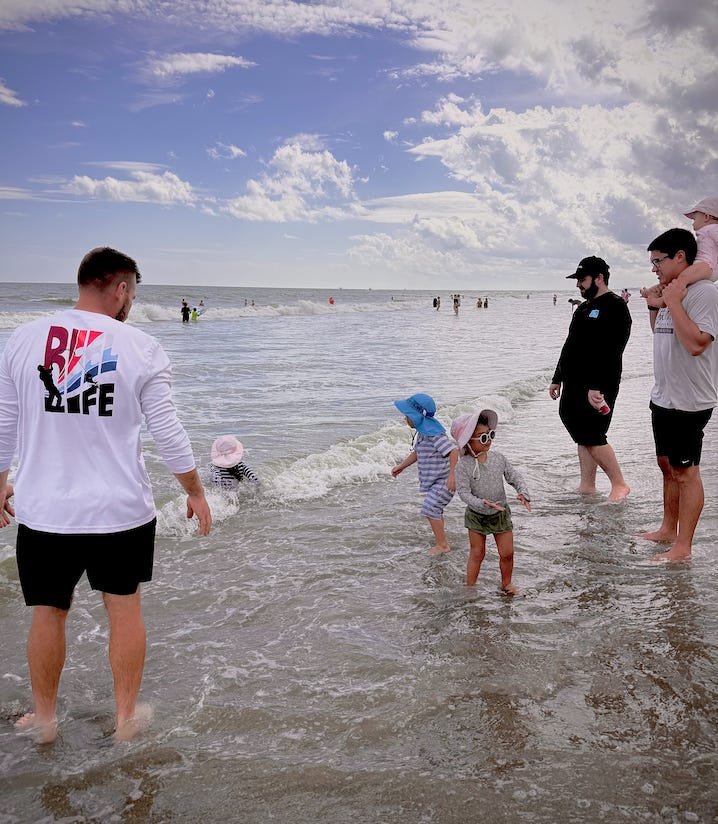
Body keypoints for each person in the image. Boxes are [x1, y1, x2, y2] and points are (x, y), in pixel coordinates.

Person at [0, 247, 212, 744]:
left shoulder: (24, 339)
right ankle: (125, 721)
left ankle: (46, 722)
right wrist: (195, 491)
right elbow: (167, 429)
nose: (130, 303)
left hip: (45, 510)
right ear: (120, 289)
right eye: (132, 294)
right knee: (124, 609)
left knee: (48, 612)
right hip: (120, 512)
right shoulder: (141, 347)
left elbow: (4, 423)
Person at [639, 228, 718, 561]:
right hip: (664, 396)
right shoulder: (673, 290)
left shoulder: (703, 293)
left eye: (658, 261)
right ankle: (667, 529)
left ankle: (683, 548)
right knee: (666, 465)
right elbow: (661, 333)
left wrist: (673, 300)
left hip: (690, 400)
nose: (654, 268)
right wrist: (654, 305)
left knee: (686, 472)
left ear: (681, 257)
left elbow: (697, 344)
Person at [549, 256, 632, 501]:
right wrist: (557, 377)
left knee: (593, 434)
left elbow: (613, 349)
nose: (578, 285)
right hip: (574, 381)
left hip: (598, 384)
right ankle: (588, 485)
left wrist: (599, 386)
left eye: (582, 279)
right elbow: (570, 345)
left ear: (599, 278)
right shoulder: (583, 308)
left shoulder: (615, 306)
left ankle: (619, 484)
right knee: (580, 432)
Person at [451, 410, 531, 594]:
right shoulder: (463, 465)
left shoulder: (498, 458)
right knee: (478, 554)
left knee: (507, 553)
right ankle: (470, 588)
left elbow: (514, 476)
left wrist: (523, 492)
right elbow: (463, 493)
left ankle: (507, 584)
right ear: (468, 441)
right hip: (476, 516)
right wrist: (482, 503)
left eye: (491, 434)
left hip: (500, 513)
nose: (489, 439)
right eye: (483, 437)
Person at [391, 393, 458, 553]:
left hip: (444, 481)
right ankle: (441, 540)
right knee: (435, 509)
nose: (405, 419)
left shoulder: (434, 435)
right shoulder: (424, 433)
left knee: (429, 508)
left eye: (407, 416)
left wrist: (452, 476)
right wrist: (402, 465)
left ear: (416, 417)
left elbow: (453, 451)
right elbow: (418, 452)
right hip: (436, 481)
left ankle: (442, 545)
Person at [640, 197, 718, 308]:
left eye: (694, 219)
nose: (692, 223)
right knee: (677, 280)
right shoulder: (707, 231)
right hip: (703, 265)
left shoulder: (713, 229)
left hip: (706, 265)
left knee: (681, 279)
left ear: (707, 217)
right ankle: (652, 292)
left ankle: (663, 300)